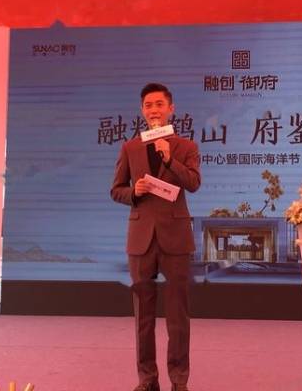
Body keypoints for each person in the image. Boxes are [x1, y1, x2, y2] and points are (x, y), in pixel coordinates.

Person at [110, 83, 201, 391]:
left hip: (175, 237)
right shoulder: (130, 148)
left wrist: (169, 159)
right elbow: (116, 190)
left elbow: (193, 183)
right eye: (148, 105)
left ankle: (179, 380)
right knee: (143, 317)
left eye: (159, 104)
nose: (154, 110)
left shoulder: (186, 146)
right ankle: (147, 379)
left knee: (178, 316)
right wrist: (133, 192)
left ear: (171, 109)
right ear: (142, 110)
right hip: (141, 239)